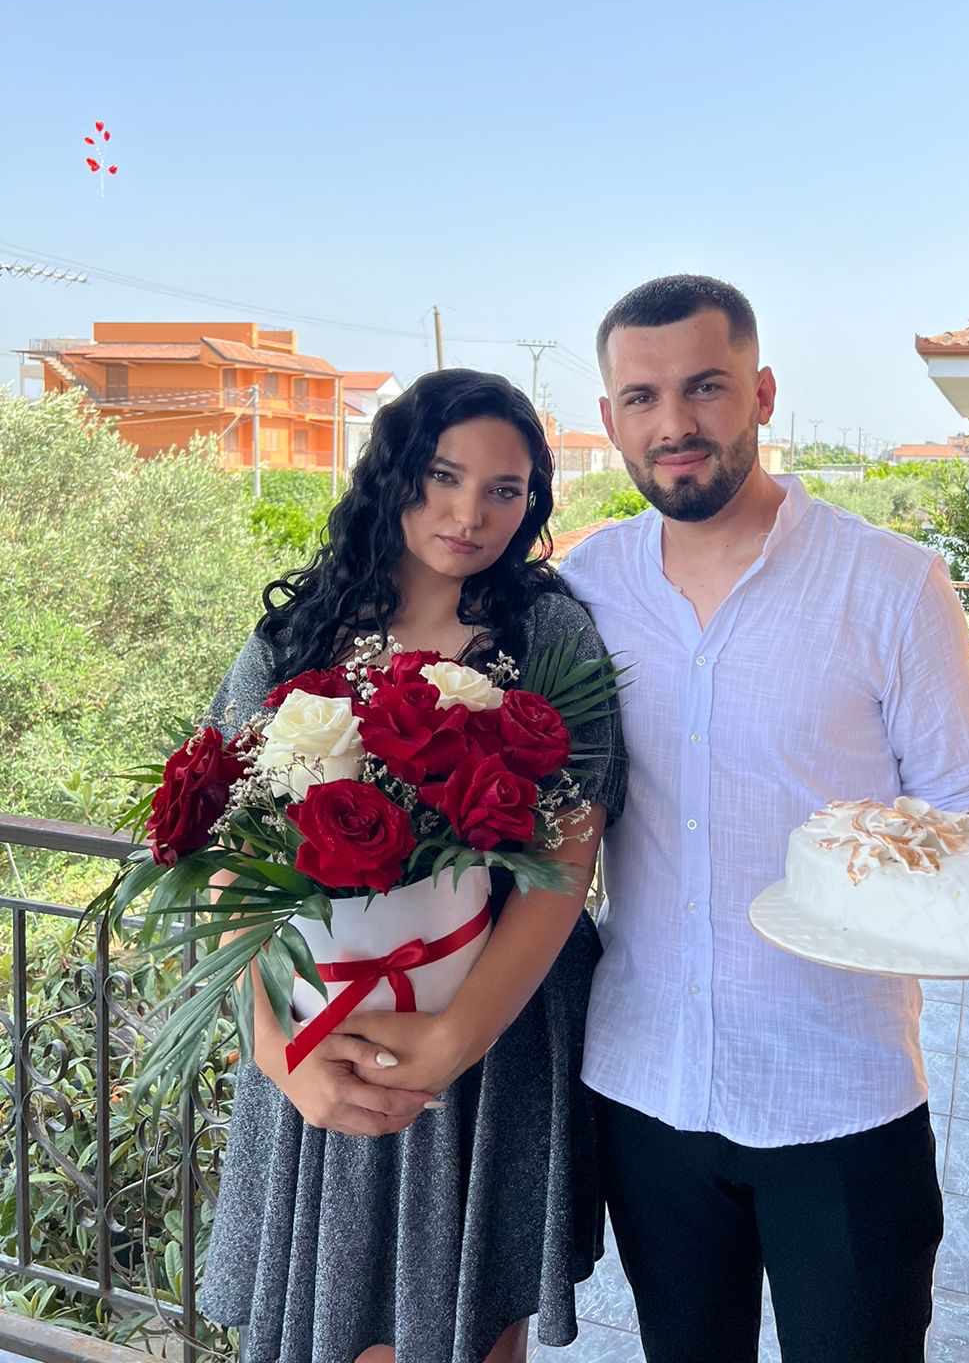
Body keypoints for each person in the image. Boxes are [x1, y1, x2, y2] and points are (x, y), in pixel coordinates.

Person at [560, 275, 969, 1363]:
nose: (674, 423)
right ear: (612, 416)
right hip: (645, 1084)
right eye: (642, 397)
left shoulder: (892, 585)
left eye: (706, 387)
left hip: (839, 1088)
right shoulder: (586, 585)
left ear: (761, 393)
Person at [198, 369, 625, 1363]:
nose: (470, 514)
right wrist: (278, 1053)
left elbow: (568, 854)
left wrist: (452, 1041)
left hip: (493, 1043)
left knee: (474, 1332)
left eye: (505, 490)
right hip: (319, 1039)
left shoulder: (546, 633)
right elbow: (224, 849)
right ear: (394, 473)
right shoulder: (296, 635)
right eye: (443, 476)